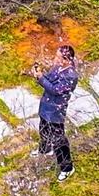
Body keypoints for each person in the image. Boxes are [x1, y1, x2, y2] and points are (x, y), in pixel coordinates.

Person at [32, 44, 78, 181]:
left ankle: (67, 168)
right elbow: (49, 78)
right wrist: (38, 74)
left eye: (58, 57)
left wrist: (41, 78)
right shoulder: (59, 67)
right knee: (43, 129)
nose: (55, 58)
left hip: (56, 110)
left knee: (59, 140)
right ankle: (45, 149)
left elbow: (55, 90)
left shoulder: (70, 76)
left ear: (66, 59)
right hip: (46, 107)